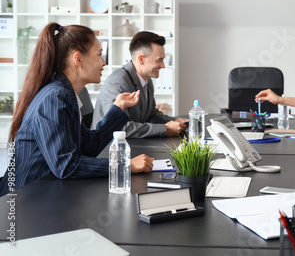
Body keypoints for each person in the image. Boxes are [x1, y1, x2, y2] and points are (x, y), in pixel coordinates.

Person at [0, 23, 153, 197]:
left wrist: (118, 108)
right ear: (78, 59)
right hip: (22, 201)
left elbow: (88, 146)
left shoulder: (66, 93)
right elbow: (66, 166)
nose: (103, 62)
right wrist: (123, 165)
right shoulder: (55, 97)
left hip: (42, 194)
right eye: (99, 55)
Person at [92, 31, 187, 138]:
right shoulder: (117, 82)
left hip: (133, 144)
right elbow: (119, 127)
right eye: (159, 60)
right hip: (109, 148)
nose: (163, 65)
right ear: (141, 59)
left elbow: (151, 114)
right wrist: (165, 129)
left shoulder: (147, 79)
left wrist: (174, 122)